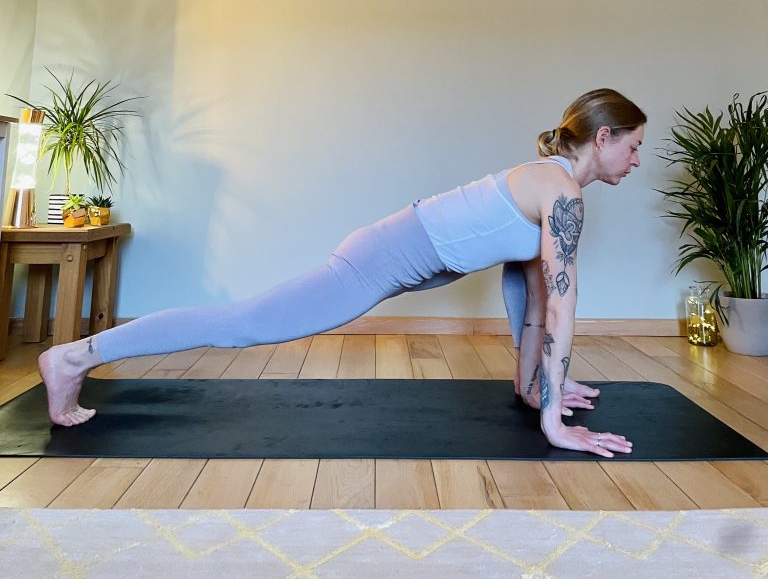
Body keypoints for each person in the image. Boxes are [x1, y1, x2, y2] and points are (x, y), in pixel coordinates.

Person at [39, 87, 645, 458]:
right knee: (241, 324)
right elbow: (562, 307)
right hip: (374, 262)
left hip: (385, 248)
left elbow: (530, 288)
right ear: (603, 136)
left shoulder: (545, 181)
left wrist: (536, 385)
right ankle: (75, 356)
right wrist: (554, 423)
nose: (637, 160)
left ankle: (76, 357)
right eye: (634, 146)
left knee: (242, 321)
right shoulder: (562, 193)